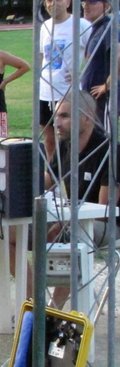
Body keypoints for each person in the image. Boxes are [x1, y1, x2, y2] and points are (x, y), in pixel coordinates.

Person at [47, 91, 120, 308]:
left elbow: (103, 210)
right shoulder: (65, 143)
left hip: (108, 225)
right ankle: (34, 302)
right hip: (73, 219)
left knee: (76, 236)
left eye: (64, 116)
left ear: (87, 118)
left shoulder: (109, 150)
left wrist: (62, 224)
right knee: (12, 231)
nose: (56, 123)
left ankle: (52, 311)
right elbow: (45, 182)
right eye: (56, 116)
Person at [39, 0, 91, 160]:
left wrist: (82, 73)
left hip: (67, 92)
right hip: (46, 92)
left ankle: (72, 176)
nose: (53, 3)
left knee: (69, 138)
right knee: (49, 138)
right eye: (49, 0)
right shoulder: (44, 26)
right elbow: (42, 56)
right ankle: (53, 180)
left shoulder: (81, 25)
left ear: (68, 2)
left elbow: (95, 54)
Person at [80, 0, 118, 128]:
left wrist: (107, 85)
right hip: (93, 100)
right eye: (85, 2)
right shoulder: (97, 28)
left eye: (92, 2)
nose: (86, 6)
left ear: (106, 6)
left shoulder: (108, 28)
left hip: (104, 100)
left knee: (105, 139)